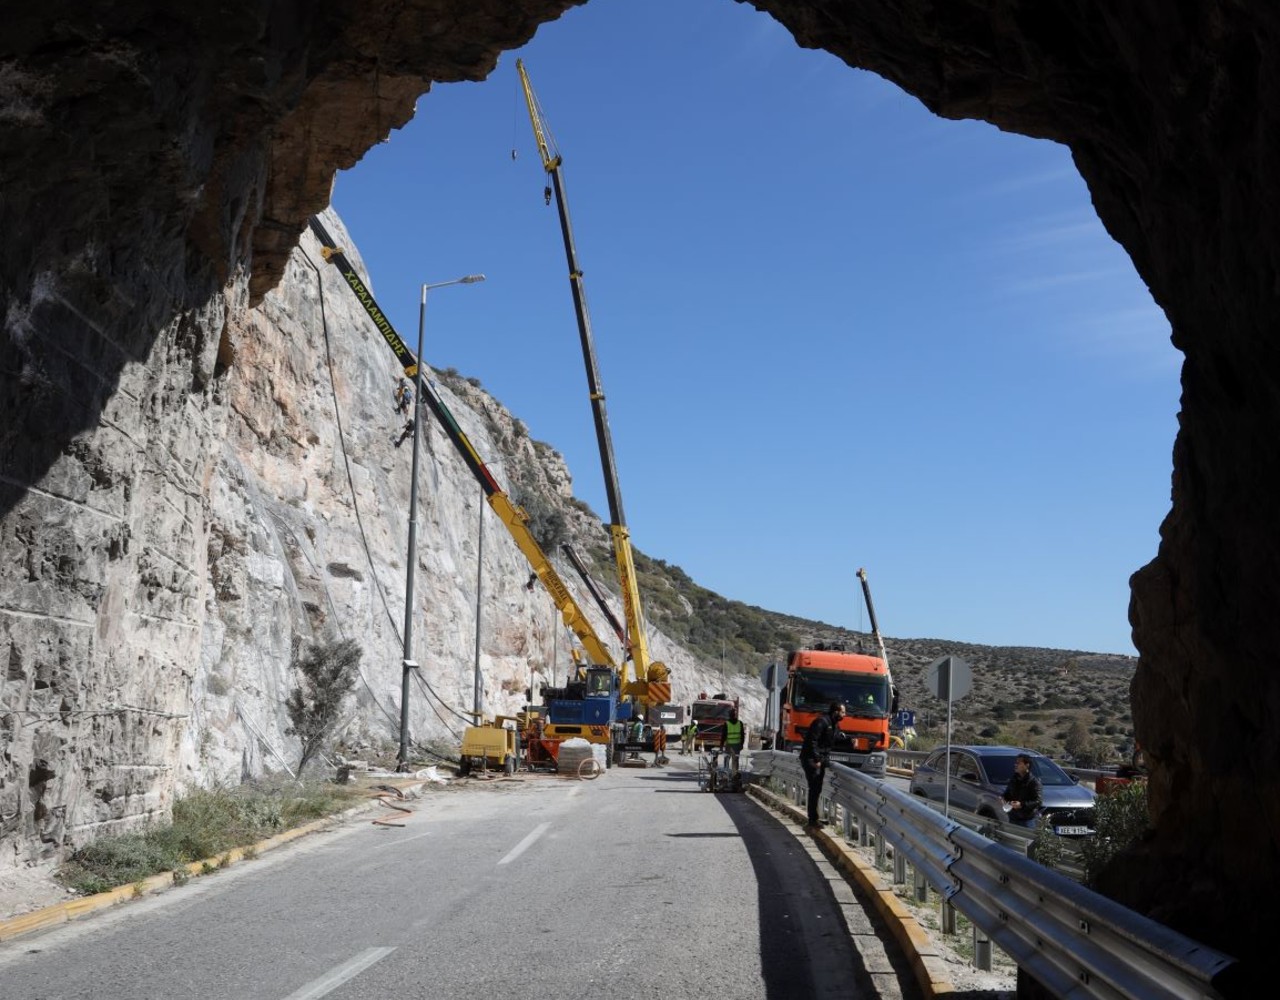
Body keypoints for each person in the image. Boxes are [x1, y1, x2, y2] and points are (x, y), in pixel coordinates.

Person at [801, 702, 845, 829]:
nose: (844, 715)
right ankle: (812, 820)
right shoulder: (821, 722)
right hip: (811, 759)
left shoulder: (834, 724)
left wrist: (849, 740)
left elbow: (836, 739)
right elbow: (812, 741)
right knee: (814, 788)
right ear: (836, 712)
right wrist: (817, 759)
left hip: (820, 759)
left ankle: (814, 818)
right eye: (842, 712)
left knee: (817, 788)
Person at [1001, 752, 1043, 828]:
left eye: (1018, 763)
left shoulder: (1034, 782)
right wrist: (1003, 798)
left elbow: (1038, 801)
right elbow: (1007, 793)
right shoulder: (1014, 779)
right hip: (1013, 818)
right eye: (1016, 763)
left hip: (1026, 821)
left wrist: (1021, 805)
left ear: (1027, 765)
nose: (1015, 765)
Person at [724, 708, 745, 780]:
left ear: (729, 715)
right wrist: (742, 744)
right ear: (735, 715)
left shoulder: (727, 723)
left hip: (729, 745)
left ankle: (726, 775)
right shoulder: (740, 723)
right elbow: (742, 735)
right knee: (735, 760)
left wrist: (721, 745)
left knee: (727, 759)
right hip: (737, 745)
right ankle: (734, 775)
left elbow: (723, 735)